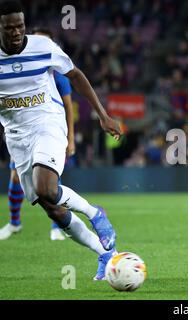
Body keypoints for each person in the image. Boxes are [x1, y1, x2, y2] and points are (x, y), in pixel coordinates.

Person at [0, 1, 122, 280]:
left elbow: (76, 75)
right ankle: (105, 255)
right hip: (17, 138)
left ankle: (95, 213)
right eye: (9, 28)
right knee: (51, 208)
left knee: (47, 188)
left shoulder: (42, 47)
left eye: (20, 25)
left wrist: (102, 115)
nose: (16, 32)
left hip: (47, 125)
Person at [0, 26, 75, 241]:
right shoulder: (22, 67)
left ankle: (56, 225)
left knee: (49, 179)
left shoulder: (59, 76)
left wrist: (70, 138)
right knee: (16, 176)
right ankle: (14, 222)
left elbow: (68, 106)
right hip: (21, 133)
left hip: (48, 129)